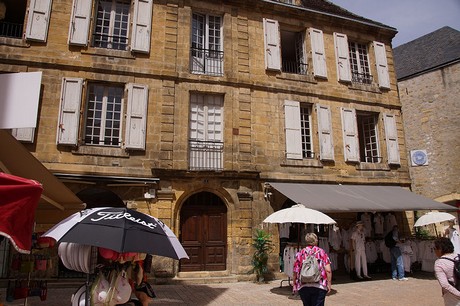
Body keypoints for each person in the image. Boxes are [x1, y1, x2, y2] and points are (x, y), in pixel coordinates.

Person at [293, 233, 332, 306]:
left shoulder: (300, 253)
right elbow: (328, 270)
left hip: (304, 286)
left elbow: (295, 271)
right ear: (316, 241)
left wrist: (294, 284)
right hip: (319, 285)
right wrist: (329, 283)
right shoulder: (321, 252)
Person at [434, 237, 460, 305]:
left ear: (439, 249)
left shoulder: (439, 263)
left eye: (434, 249)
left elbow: (445, 285)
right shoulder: (458, 256)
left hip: (453, 297)